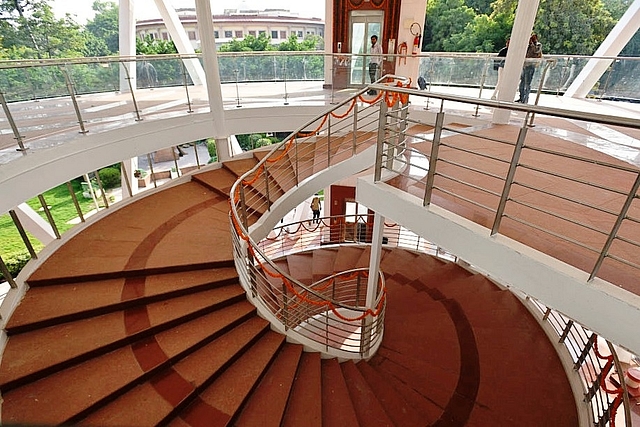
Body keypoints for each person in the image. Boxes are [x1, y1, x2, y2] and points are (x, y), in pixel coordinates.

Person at [516, 34, 542, 103]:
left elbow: (536, 51)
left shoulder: (538, 45)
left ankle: (526, 99)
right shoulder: (527, 45)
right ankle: (521, 97)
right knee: (522, 83)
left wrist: (532, 44)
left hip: (531, 66)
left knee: (527, 83)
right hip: (525, 66)